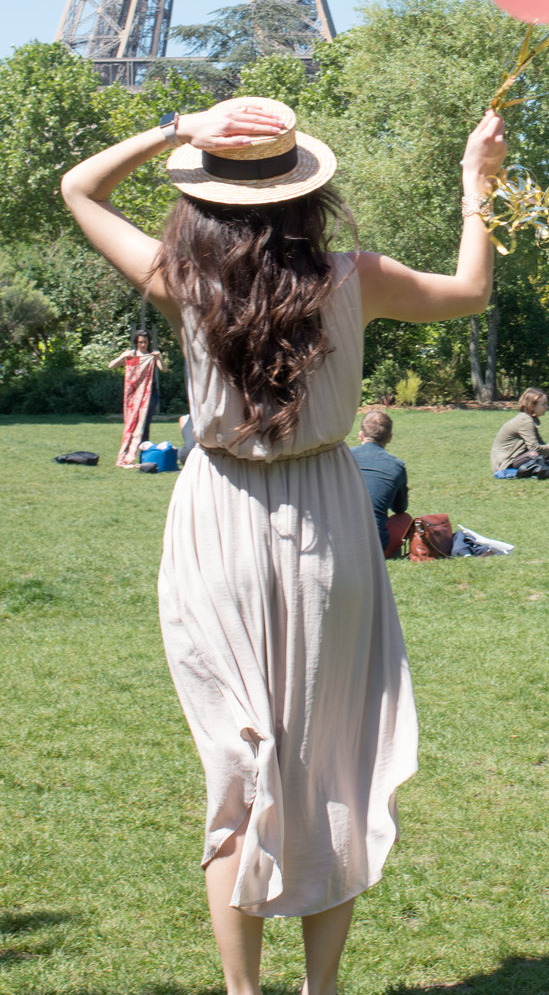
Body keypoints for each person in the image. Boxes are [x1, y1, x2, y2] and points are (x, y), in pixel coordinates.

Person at [61, 95, 505, 995]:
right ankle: (322, 989)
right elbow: (471, 291)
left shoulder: (180, 280)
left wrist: (176, 126)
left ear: (202, 196)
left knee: (237, 767)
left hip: (216, 516)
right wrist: (476, 186)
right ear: (306, 192)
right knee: (329, 758)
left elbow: (79, 187)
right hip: (326, 523)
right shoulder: (355, 277)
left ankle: (242, 993)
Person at [350, 409, 412, 558]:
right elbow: (399, 508)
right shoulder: (397, 466)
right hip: (374, 545)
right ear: (389, 438)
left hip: (337, 538)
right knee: (405, 519)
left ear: (360, 435)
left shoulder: (344, 457)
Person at [107, 328, 165, 466]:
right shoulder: (131, 355)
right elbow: (111, 366)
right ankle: (127, 453)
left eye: (145, 342)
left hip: (150, 394)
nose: (143, 345)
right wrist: (122, 357)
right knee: (131, 424)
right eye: (140, 342)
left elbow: (163, 369)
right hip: (133, 396)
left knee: (144, 424)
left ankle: (142, 456)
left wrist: (160, 358)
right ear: (136, 342)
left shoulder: (152, 356)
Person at [489, 388, 549, 475]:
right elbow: (534, 448)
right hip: (504, 465)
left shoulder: (530, 419)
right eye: (543, 404)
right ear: (532, 406)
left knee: (543, 456)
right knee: (534, 455)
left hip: (515, 459)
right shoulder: (525, 421)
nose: (547, 407)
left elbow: (540, 447)